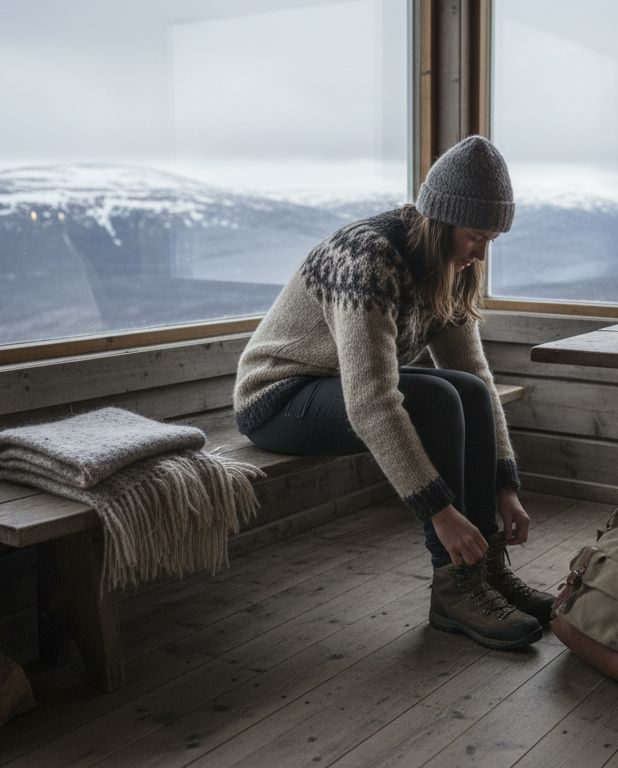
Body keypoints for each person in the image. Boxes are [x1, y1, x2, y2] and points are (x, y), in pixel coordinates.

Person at [233, 135, 554, 650]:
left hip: (336, 388)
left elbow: (475, 373)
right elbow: (372, 402)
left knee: (467, 389)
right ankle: (455, 586)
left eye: (491, 240)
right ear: (442, 222)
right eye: (475, 237)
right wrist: (441, 514)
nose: (481, 253)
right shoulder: (369, 258)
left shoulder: (451, 266)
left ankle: (486, 569)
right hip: (278, 398)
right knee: (436, 400)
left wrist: (505, 487)